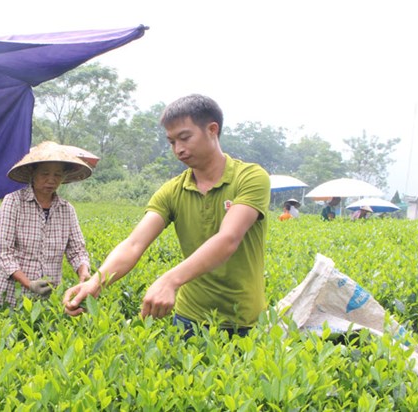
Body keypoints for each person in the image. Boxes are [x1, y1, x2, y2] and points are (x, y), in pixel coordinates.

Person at [63, 94, 270, 338]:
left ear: (212, 130)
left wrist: (170, 280)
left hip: (244, 321)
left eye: (185, 138)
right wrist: (95, 282)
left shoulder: (250, 178)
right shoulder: (173, 190)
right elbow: (133, 244)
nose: (178, 149)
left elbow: (228, 239)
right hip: (189, 318)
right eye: (171, 142)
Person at [0, 141, 92, 307]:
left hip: (47, 296)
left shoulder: (67, 210)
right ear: (33, 173)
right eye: (44, 173)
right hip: (8, 294)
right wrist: (29, 284)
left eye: (57, 175)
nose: (51, 180)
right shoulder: (13, 202)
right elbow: (5, 253)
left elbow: (77, 250)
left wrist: (83, 271)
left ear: (63, 177)